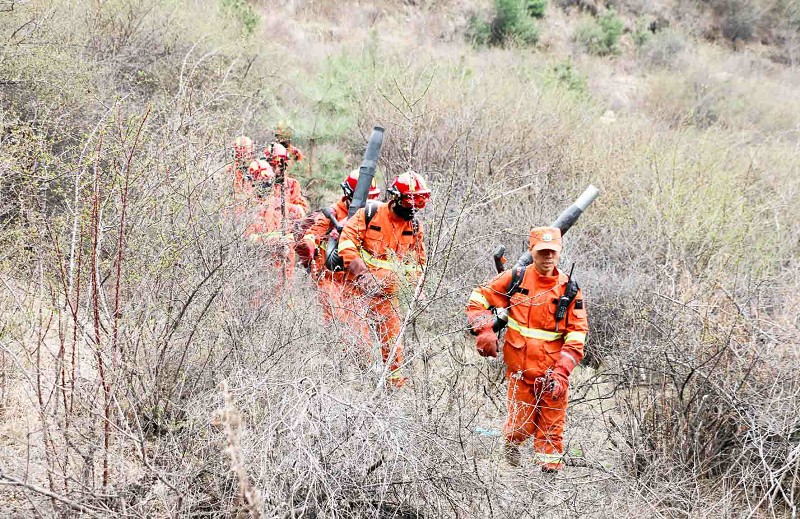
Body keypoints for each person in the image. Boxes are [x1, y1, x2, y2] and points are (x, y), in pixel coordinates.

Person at [465, 227, 589, 471]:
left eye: (552, 252)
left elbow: (577, 334)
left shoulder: (570, 289)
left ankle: (546, 486)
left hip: (554, 376)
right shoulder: (516, 278)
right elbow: (478, 299)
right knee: (519, 429)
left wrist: (562, 372)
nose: (548, 258)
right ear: (532, 251)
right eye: (543, 252)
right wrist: (485, 330)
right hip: (520, 373)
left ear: (559, 253)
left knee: (551, 434)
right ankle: (511, 455)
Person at [336, 171, 430, 388]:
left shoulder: (415, 227)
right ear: (396, 198)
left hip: (388, 295)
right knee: (357, 339)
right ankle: (355, 384)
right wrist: (363, 273)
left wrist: (418, 287)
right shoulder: (369, 213)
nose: (412, 212)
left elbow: (419, 263)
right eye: (409, 204)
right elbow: (347, 243)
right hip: (357, 289)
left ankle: (393, 387)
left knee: (392, 343)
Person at [296, 169, 381, 324]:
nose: (368, 204)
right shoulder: (332, 214)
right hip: (330, 279)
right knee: (336, 321)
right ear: (349, 195)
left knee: (358, 327)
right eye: (365, 199)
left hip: (356, 282)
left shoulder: (373, 217)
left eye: (372, 199)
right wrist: (309, 245)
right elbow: (312, 235)